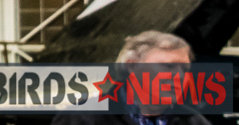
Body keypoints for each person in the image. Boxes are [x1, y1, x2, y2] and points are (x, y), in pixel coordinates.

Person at [51, 30, 208, 125]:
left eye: (185, 69)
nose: (180, 76)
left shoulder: (194, 121)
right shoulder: (82, 118)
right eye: (168, 66)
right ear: (132, 66)